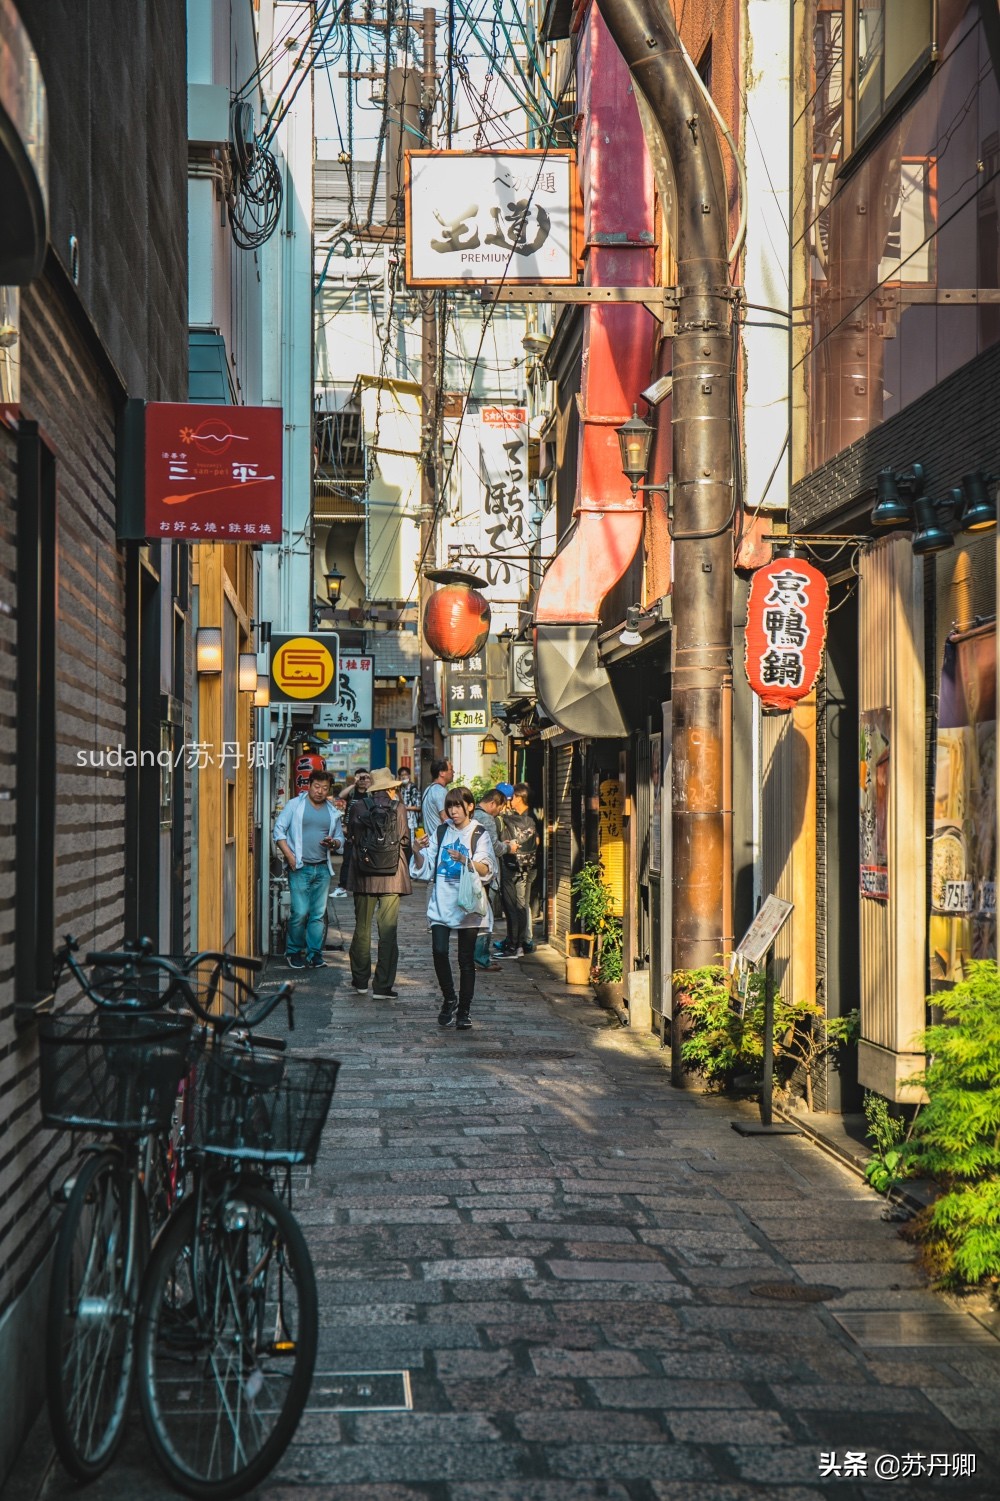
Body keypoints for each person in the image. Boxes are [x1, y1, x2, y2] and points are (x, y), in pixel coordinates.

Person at [410, 785, 498, 1030]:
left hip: (467, 905)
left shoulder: (478, 832)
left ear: (470, 806)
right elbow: (426, 866)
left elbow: (487, 868)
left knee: (465, 959)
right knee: (439, 951)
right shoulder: (441, 831)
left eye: (458, 806)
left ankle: (464, 1011)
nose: (453, 811)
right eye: (449, 806)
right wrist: (416, 851)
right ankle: (449, 998)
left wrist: (465, 860)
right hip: (442, 902)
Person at [347, 767, 412, 999]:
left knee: (362, 929)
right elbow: (405, 840)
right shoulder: (399, 807)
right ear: (391, 789)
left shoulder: (358, 807)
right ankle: (382, 986)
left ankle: (360, 982)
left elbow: (352, 837)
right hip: (392, 877)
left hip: (364, 876)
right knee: (388, 931)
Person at [273, 768, 343, 969]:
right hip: (300, 867)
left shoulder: (332, 811)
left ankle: (315, 954)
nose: (320, 791)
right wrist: (290, 857)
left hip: (322, 868)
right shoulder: (295, 805)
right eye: (317, 786)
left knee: (318, 914)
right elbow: (278, 831)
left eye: (325, 788)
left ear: (329, 790)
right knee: (300, 912)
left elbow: (340, 838)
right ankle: (294, 951)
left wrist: (333, 843)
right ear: (309, 785)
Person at [496, 782, 538, 958]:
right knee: (520, 904)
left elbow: (537, 841)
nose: (510, 800)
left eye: (513, 797)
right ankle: (518, 942)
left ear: (520, 798)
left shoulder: (527, 817)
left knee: (518, 905)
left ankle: (521, 942)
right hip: (526, 864)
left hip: (519, 865)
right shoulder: (525, 817)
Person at [472, 788, 506, 971]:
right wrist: (509, 848)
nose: (499, 812)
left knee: (475, 916)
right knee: (485, 918)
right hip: (486, 874)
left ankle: (473, 955)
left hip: (472, 873)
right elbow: (495, 848)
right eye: (500, 808)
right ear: (492, 803)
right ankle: (481, 958)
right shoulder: (487, 819)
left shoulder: (471, 815)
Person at [336, 767, 371, 896]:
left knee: (366, 859)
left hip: (367, 832)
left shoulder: (371, 793)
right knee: (347, 860)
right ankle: (343, 886)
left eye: (365, 777)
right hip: (350, 832)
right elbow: (340, 796)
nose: (363, 780)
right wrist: (353, 784)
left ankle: (364, 886)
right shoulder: (351, 793)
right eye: (360, 777)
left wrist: (370, 784)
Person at [421, 756, 453, 832]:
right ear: (441, 773)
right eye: (451, 769)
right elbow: (445, 818)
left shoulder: (428, 789)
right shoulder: (440, 791)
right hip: (440, 838)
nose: (453, 772)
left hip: (431, 838)